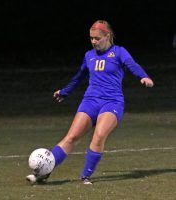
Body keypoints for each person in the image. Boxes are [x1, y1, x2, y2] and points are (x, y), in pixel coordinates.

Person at [26, 20, 154, 185]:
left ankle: (85, 176)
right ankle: (43, 172)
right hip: (90, 101)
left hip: (112, 102)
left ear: (107, 36)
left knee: (99, 134)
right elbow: (79, 76)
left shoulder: (119, 52)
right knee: (71, 137)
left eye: (97, 38)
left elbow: (132, 65)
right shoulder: (89, 55)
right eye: (91, 38)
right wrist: (65, 92)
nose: (94, 41)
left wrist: (143, 76)